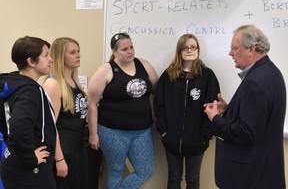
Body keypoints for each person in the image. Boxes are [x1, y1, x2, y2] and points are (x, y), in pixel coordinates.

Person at [204, 25, 286, 189]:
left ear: (251, 49)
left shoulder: (256, 81)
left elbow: (246, 132)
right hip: (262, 172)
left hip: (250, 177)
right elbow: (257, 120)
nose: (230, 53)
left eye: (234, 48)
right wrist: (228, 111)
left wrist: (216, 118)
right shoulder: (270, 72)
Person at [88, 32, 158, 189]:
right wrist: (93, 134)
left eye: (131, 47)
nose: (130, 51)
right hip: (112, 131)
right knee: (116, 170)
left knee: (145, 170)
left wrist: (155, 115)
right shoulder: (106, 70)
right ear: (114, 52)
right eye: (124, 49)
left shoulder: (143, 65)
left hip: (142, 131)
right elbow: (92, 103)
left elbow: (156, 91)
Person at [154, 33, 220, 189]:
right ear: (179, 51)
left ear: (198, 49)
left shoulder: (207, 75)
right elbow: (159, 105)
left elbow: (213, 107)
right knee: (174, 178)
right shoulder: (168, 75)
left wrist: (205, 135)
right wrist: (164, 132)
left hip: (197, 140)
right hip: (172, 140)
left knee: (193, 179)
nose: (189, 50)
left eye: (193, 47)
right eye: (185, 47)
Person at [0, 36, 56, 189]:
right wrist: (30, 158)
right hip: (30, 170)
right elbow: (19, 125)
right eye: (46, 55)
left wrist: (11, 143)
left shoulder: (14, 83)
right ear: (31, 61)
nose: (51, 59)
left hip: (13, 161)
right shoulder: (30, 90)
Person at [43, 37, 89, 189]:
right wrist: (59, 159)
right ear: (60, 56)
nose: (78, 55)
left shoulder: (73, 81)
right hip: (65, 151)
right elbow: (50, 126)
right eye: (73, 52)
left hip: (79, 147)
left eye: (78, 51)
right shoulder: (53, 84)